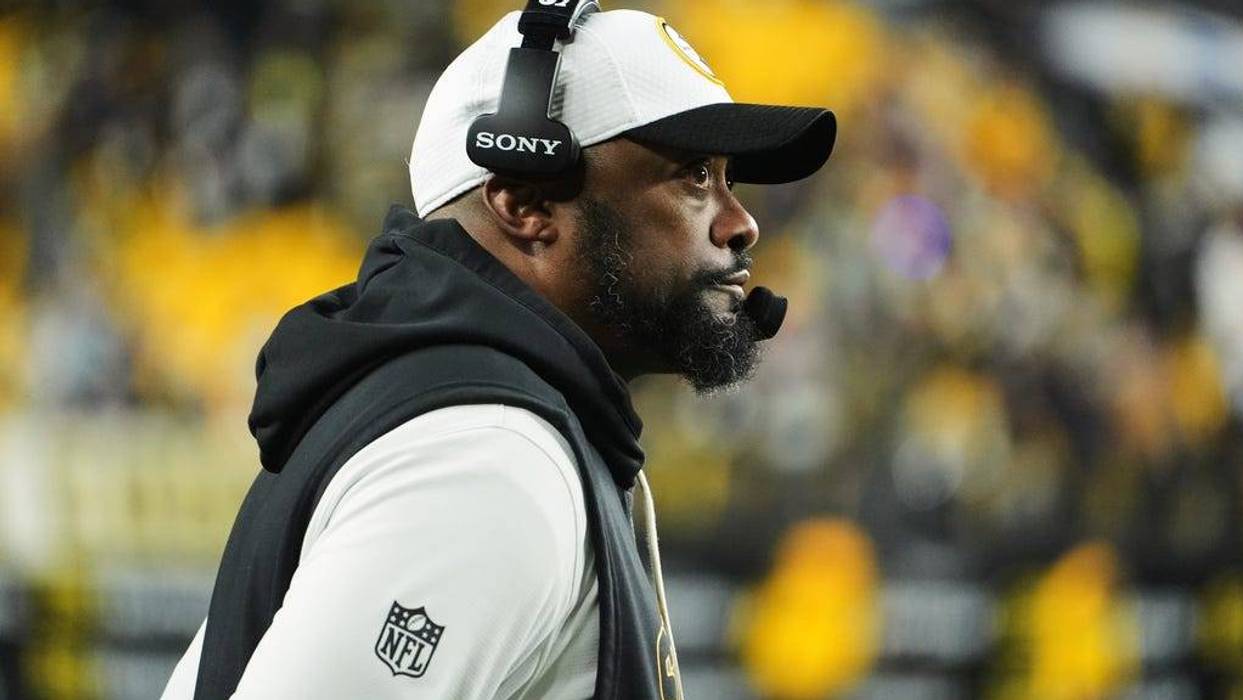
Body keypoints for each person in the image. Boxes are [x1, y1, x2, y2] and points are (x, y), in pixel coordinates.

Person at [161, 3, 834, 699]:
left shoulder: (451, 415)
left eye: (729, 179)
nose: (740, 221)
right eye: (693, 176)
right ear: (524, 203)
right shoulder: (488, 455)